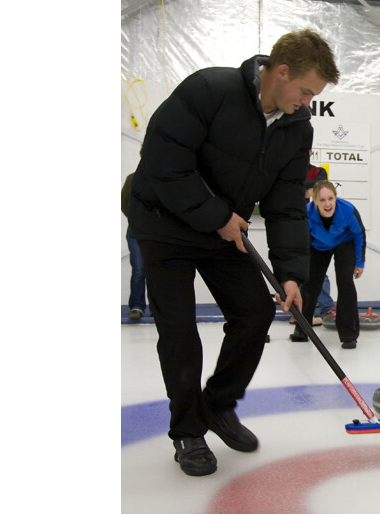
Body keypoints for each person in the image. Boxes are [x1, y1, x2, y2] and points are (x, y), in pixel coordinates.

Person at [126, 29, 340, 476]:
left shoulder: (297, 127)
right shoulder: (210, 90)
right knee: (181, 332)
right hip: (162, 224)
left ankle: (218, 405)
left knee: (254, 312)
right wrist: (216, 215)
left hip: (221, 231)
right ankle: (187, 431)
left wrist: (290, 275)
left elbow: (285, 205)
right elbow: (163, 163)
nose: (307, 101)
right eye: (305, 91)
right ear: (280, 72)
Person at [290, 180, 366, 349]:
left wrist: (360, 262)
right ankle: (302, 329)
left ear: (335, 198)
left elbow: (359, 235)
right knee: (310, 285)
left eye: (330, 198)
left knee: (345, 282)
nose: (327, 204)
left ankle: (348, 335)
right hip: (318, 245)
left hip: (344, 243)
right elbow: (301, 242)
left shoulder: (347, 210)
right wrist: (299, 268)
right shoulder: (307, 213)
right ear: (315, 201)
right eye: (322, 200)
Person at [291, 157, 335, 326]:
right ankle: (300, 312)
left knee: (318, 269)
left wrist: (302, 187)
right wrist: (305, 188)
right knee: (298, 270)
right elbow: (290, 190)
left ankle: (327, 309)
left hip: (316, 227)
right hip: (295, 225)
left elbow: (320, 184)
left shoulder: (319, 171)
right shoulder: (289, 173)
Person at [121, 172, 148, 320]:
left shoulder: (161, 176)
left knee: (157, 271)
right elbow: (124, 202)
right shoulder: (132, 178)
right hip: (136, 230)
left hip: (158, 232)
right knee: (139, 270)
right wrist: (136, 219)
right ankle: (137, 306)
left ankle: (159, 308)